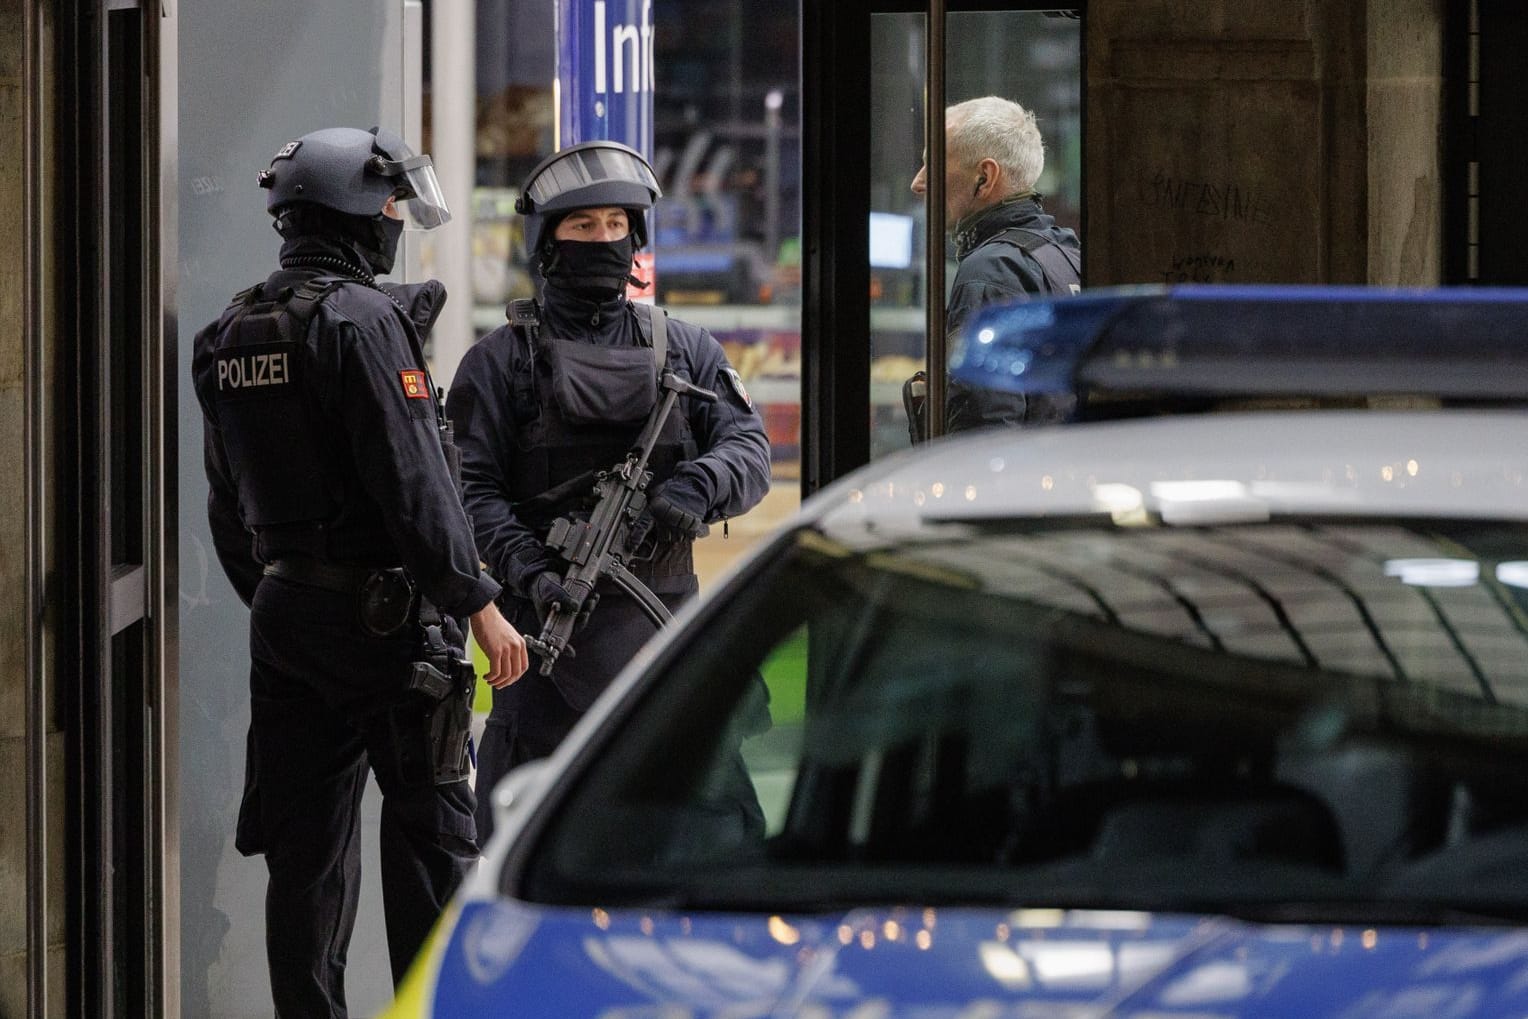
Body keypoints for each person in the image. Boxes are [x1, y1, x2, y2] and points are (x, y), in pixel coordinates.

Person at [192, 125, 529, 1017]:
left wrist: (281, 592)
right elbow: (416, 482)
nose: (394, 226)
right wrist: (480, 604)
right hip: (391, 629)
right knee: (431, 848)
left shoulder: (228, 331)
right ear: (356, 214)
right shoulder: (365, 321)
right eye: (390, 208)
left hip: (288, 619)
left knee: (305, 861)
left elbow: (227, 505)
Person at [447, 140, 773, 845]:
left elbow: (751, 450)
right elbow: (470, 492)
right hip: (543, 655)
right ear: (548, 241)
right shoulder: (499, 364)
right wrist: (531, 572)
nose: (602, 240)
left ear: (636, 236)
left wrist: (698, 483)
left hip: (663, 649)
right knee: (527, 863)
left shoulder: (684, 350)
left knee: (704, 856)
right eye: (582, 225)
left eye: (615, 225)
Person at [907, 95, 1082, 438]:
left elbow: (983, 433)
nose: (918, 182)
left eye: (934, 165)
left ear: (984, 178)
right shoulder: (1064, 252)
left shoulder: (989, 272)